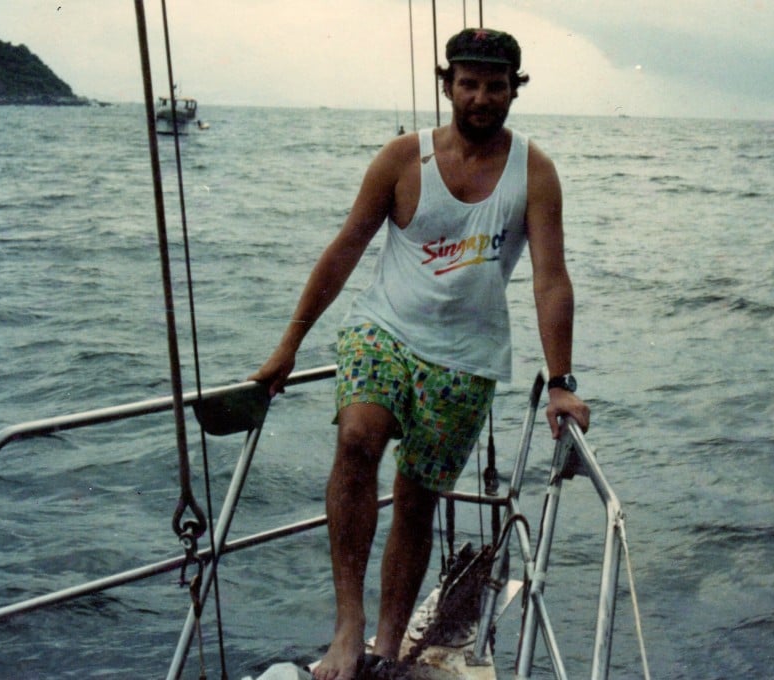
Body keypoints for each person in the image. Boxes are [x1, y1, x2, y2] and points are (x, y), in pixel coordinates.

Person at [250, 27, 590, 680]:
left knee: (416, 499)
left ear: (514, 90)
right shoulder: (403, 161)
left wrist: (561, 382)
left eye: (496, 85)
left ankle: (383, 648)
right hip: (384, 332)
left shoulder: (534, 173)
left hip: (466, 360)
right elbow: (344, 250)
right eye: (469, 83)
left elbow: (551, 278)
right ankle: (347, 632)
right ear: (448, 86)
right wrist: (287, 346)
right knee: (356, 440)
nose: (482, 97)